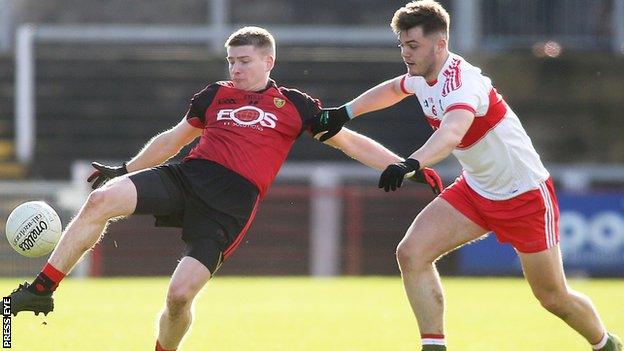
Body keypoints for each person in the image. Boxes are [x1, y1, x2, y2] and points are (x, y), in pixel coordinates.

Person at [6, 26, 443, 350]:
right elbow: (174, 139)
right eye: (231, 60)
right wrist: (125, 168)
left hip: (230, 208)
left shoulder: (295, 106)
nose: (235, 68)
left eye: (244, 60)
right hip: (189, 177)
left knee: (179, 297)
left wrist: (407, 166)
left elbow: (350, 141)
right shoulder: (214, 95)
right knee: (101, 199)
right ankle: (41, 290)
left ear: (268, 61)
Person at [314, 1, 622, 351]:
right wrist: (345, 112)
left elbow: (450, 134)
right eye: (401, 45)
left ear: (440, 43)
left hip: (524, 196)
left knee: (552, 297)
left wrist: (411, 164)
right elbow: (394, 89)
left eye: (412, 45)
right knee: (411, 253)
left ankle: (605, 343)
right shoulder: (421, 76)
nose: (405, 53)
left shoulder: (464, 84)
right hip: (476, 190)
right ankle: (434, 346)